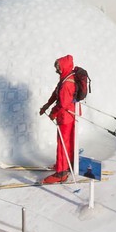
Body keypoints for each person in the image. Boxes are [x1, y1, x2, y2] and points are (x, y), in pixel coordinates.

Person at [39, 54, 78, 185]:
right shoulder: (66, 78)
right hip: (69, 115)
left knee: (62, 143)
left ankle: (61, 173)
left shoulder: (67, 83)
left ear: (64, 67)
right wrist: (47, 105)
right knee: (68, 142)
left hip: (65, 117)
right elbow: (56, 94)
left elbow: (63, 104)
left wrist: (53, 113)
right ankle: (67, 164)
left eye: (58, 67)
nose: (57, 70)